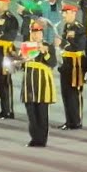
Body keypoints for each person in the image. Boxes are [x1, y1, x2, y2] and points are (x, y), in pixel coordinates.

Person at [20, 19, 58, 147]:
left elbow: (52, 63)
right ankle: (34, 138)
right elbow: (20, 65)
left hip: (42, 81)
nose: (36, 35)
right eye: (33, 32)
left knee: (42, 111)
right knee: (31, 111)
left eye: (38, 32)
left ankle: (42, 139)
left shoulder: (48, 46)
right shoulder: (26, 45)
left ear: (42, 34)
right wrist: (20, 59)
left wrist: (45, 52)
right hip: (29, 81)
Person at [0, 0, 20, 120]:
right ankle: (4, 109)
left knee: (5, 81)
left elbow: (10, 36)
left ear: (6, 4)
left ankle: (8, 111)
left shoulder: (11, 19)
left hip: (6, 52)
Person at [57, 2, 86, 130]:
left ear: (73, 12)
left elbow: (79, 46)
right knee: (66, 93)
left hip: (76, 64)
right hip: (66, 63)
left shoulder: (79, 28)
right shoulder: (67, 26)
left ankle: (76, 121)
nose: (63, 15)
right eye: (63, 12)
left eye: (66, 12)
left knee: (74, 93)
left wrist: (62, 43)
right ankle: (69, 120)